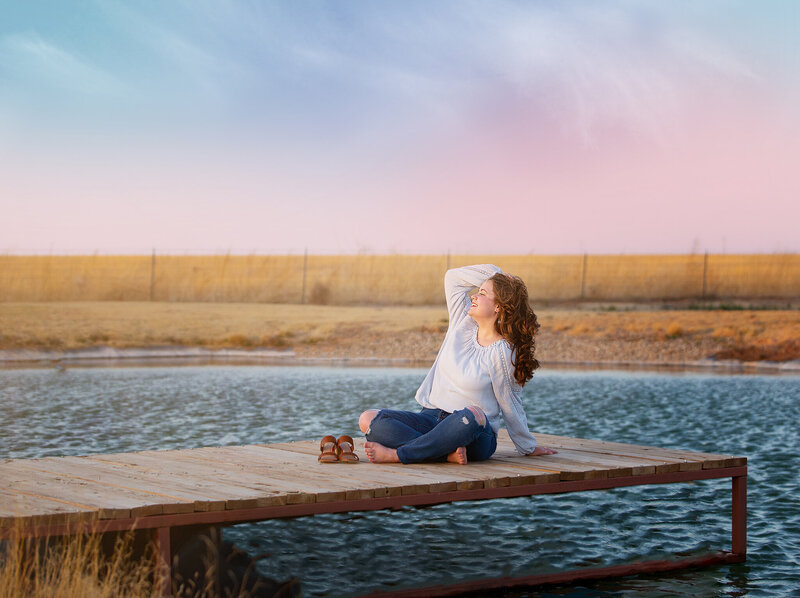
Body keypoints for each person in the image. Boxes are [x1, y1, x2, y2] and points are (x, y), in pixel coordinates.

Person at [359, 264, 558, 465]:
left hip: (474, 432)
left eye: (482, 293)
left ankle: (397, 455)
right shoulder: (461, 322)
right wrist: (497, 276)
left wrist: (527, 446)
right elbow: (453, 278)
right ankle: (444, 454)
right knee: (368, 419)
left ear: (498, 305)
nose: (474, 296)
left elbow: (510, 402)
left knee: (472, 413)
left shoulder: (503, 352)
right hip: (431, 419)